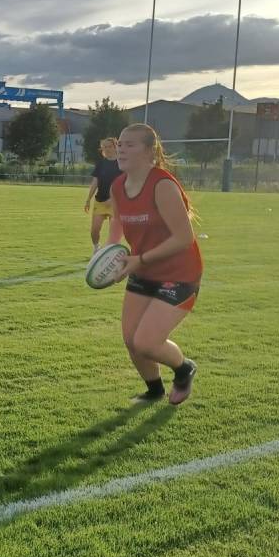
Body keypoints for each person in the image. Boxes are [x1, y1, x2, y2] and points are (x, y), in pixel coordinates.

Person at [109, 123, 202, 405]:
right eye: (120, 143)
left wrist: (140, 260)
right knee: (130, 339)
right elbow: (117, 220)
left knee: (146, 342)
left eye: (131, 144)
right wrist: (111, 255)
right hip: (143, 269)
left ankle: (184, 368)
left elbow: (184, 238)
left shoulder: (162, 184)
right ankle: (154, 390)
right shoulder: (117, 186)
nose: (122, 148)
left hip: (179, 274)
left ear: (150, 151)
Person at [85, 137, 123, 253]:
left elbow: (126, 183)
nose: (106, 149)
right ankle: (97, 248)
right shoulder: (101, 163)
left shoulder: (122, 163)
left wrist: (114, 199)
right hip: (100, 201)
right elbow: (95, 182)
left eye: (109, 146)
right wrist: (88, 199)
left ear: (115, 146)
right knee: (94, 230)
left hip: (116, 203)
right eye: (104, 147)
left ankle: (111, 254)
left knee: (114, 232)